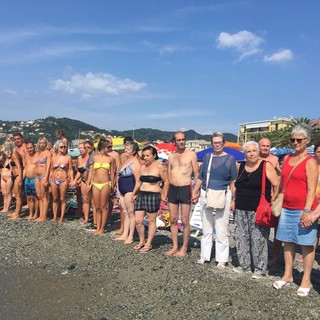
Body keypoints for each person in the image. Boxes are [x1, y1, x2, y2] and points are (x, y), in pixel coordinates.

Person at [273, 124, 318, 296]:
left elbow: (312, 190)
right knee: (288, 242)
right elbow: (282, 182)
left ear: (307, 141)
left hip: (303, 208)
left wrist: (307, 211)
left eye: (299, 140)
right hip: (287, 207)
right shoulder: (288, 159)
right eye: (293, 139)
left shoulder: (311, 162)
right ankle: (288, 274)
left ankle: (306, 280)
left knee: (306, 245)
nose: (295, 142)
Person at [233, 141, 278, 278]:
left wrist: (272, 201)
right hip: (240, 207)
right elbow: (235, 185)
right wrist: (233, 201)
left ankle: (259, 268)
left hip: (258, 209)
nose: (252, 153)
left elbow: (276, 184)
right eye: (248, 151)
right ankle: (245, 265)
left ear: (258, 152)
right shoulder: (240, 166)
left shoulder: (266, 166)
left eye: (254, 151)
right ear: (245, 154)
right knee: (241, 237)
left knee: (258, 239)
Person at [192, 132, 237, 268]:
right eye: (215, 142)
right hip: (206, 194)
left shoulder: (230, 159)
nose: (217, 144)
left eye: (219, 142)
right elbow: (201, 176)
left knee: (221, 228)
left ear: (223, 143)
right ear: (212, 144)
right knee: (206, 228)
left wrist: (234, 199)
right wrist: (195, 191)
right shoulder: (207, 157)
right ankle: (204, 256)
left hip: (223, 194)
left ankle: (221, 259)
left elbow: (233, 181)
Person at [165, 131, 199, 257]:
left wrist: (196, 191)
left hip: (185, 188)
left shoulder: (191, 155)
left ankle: (184, 248)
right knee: (173, 220)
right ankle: (175, 246)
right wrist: (165, 192)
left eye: (183, 139)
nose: (181, 142)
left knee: (185, 220)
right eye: (178, 140)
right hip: (173, 189)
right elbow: (168, 176)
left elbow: (196, 174)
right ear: (174, 142)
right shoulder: (171, 156)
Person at [132, 146, 169, 253]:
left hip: (153, 195)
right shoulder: (142, 166)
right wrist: (134, 193)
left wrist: (164, 195)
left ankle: (149, 243)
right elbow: (139, 182)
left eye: (148, 155)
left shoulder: (159, 167)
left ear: (154, 156)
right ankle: (142, 240)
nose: (145, 158)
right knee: (138, 220)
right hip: (141, 194)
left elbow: (166, 181)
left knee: (151, 220)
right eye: (144, 155)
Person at [258, 138, 282, 266]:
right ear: (258, 146)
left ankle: (275, 256)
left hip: (272, 196)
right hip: (258, 196)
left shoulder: (274, 159)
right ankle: (259, 252)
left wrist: (276, 195)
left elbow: (281, 175)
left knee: (276, 227)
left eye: (268, 146)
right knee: (259, 223)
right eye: (263, 146)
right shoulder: (254, 157)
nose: (265, 148)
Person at [114, 141, 141, 244]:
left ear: (134, 151)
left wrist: (134, 193)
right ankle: (125, 234)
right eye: (125, 148)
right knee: (125, 213)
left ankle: (131, 236)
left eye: (128, 149)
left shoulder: (135, 162)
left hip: (130, 189)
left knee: (131, 213)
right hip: (122, 189)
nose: (126, 150)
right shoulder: (125, 161)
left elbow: (138, 180)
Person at [87, 138, 115, 235]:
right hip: (95, 183)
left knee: (103, 207)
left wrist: (113, 184)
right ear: (103, 147)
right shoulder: (95, 158)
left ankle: (102, 228)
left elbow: (112, 173)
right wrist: (89, 182)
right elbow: (92, 171)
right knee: (97, 206)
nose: (110, 148)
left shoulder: (111, 158)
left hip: (105, 183)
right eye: (109, 147)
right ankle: (98, 227)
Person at [49, 141, 74, 222]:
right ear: (57, 148)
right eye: (61, 147)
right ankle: (55, 216)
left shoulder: (68, 157)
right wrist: (49, 179)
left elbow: (70, 170)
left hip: (63, 180)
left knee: (63, 198)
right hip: (54, 180)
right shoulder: (53, 158)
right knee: (55, 198)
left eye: (64, 147)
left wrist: (72, 180)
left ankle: (62, 217)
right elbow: (51, 170)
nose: (63, 148)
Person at [35, 137, 52, 222]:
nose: (42, 144)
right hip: (37, 176)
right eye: (40, 143)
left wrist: (46, 178)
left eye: (43, 143)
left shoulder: (47, 153)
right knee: (39, 196)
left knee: (44, 196)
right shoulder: (38, 153)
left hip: (43, 176)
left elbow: (49, 166)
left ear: (46, 144)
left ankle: (44, 215)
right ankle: (41, 215)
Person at [73, 142, 90, 223]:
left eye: (81, 148)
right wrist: (75, 180)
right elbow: (79, 171)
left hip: (89, 180)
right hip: (83, 180)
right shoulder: (79, 158)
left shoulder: (90, 157)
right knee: (85, 199)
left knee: (91, 200)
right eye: (79, 148)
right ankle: (85, 218)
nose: (80, 150)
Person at [105, 136, 121, 226]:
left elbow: (118, 168)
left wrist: (116, 180)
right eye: (107, 141)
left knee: (111, 198)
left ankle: (108, 215)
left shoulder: (115, 154)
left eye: (110, 142)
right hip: (102, 177)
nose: (109, 143)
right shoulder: (100, 154)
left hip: (112, 176)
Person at [24, 142, 39, 220]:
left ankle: (36, 214)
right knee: (29, 197)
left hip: (35, 179)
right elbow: (25, 168)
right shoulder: (26, 156)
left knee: (36, 198)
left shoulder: (38, 155)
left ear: (34, 147)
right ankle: (31, 213)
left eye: (31, 147)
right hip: (27, 179)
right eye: (28, 148)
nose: (30, 149)